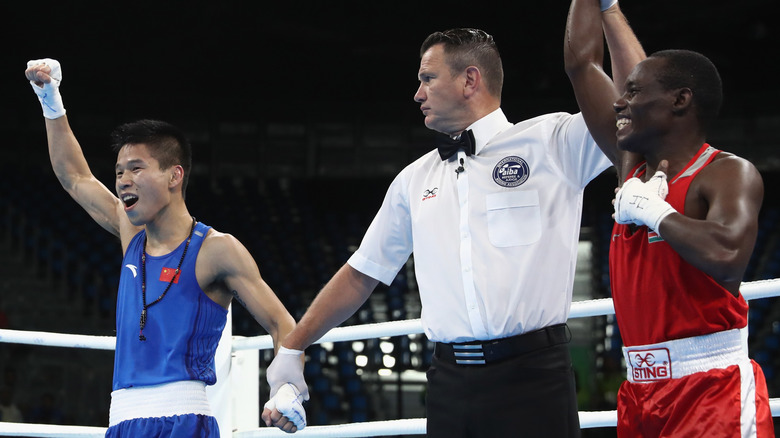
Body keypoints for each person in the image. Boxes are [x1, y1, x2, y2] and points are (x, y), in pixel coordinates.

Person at [262, 9, 641, 436]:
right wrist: (294, 346)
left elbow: (635, 110)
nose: (417, 93)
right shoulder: (413, 179)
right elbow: (361, 272)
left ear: (469, 80)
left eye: (427, 78)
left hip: (534, 378)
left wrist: (607, 10)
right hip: (448, 384)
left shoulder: (551, 142)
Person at [24, 59, 297, 437]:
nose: (122, 180)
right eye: (119, 171)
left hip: (183, 419)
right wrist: (50, 98)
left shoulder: (216, 250)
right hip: (122, 419)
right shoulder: (132, 237)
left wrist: (287, 388)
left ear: (174, 175)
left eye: (136, 168)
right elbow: (75, 177)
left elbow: (282, 324)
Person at [565, 1, 775, 436]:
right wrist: (604, 6)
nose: (620, 100)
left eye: (635, 93)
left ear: (681, 100)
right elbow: (583, 64)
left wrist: (654, 211)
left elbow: (728, 255)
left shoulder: (725, 171)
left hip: (710, 391)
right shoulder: (631, 171)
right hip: (640, 393)